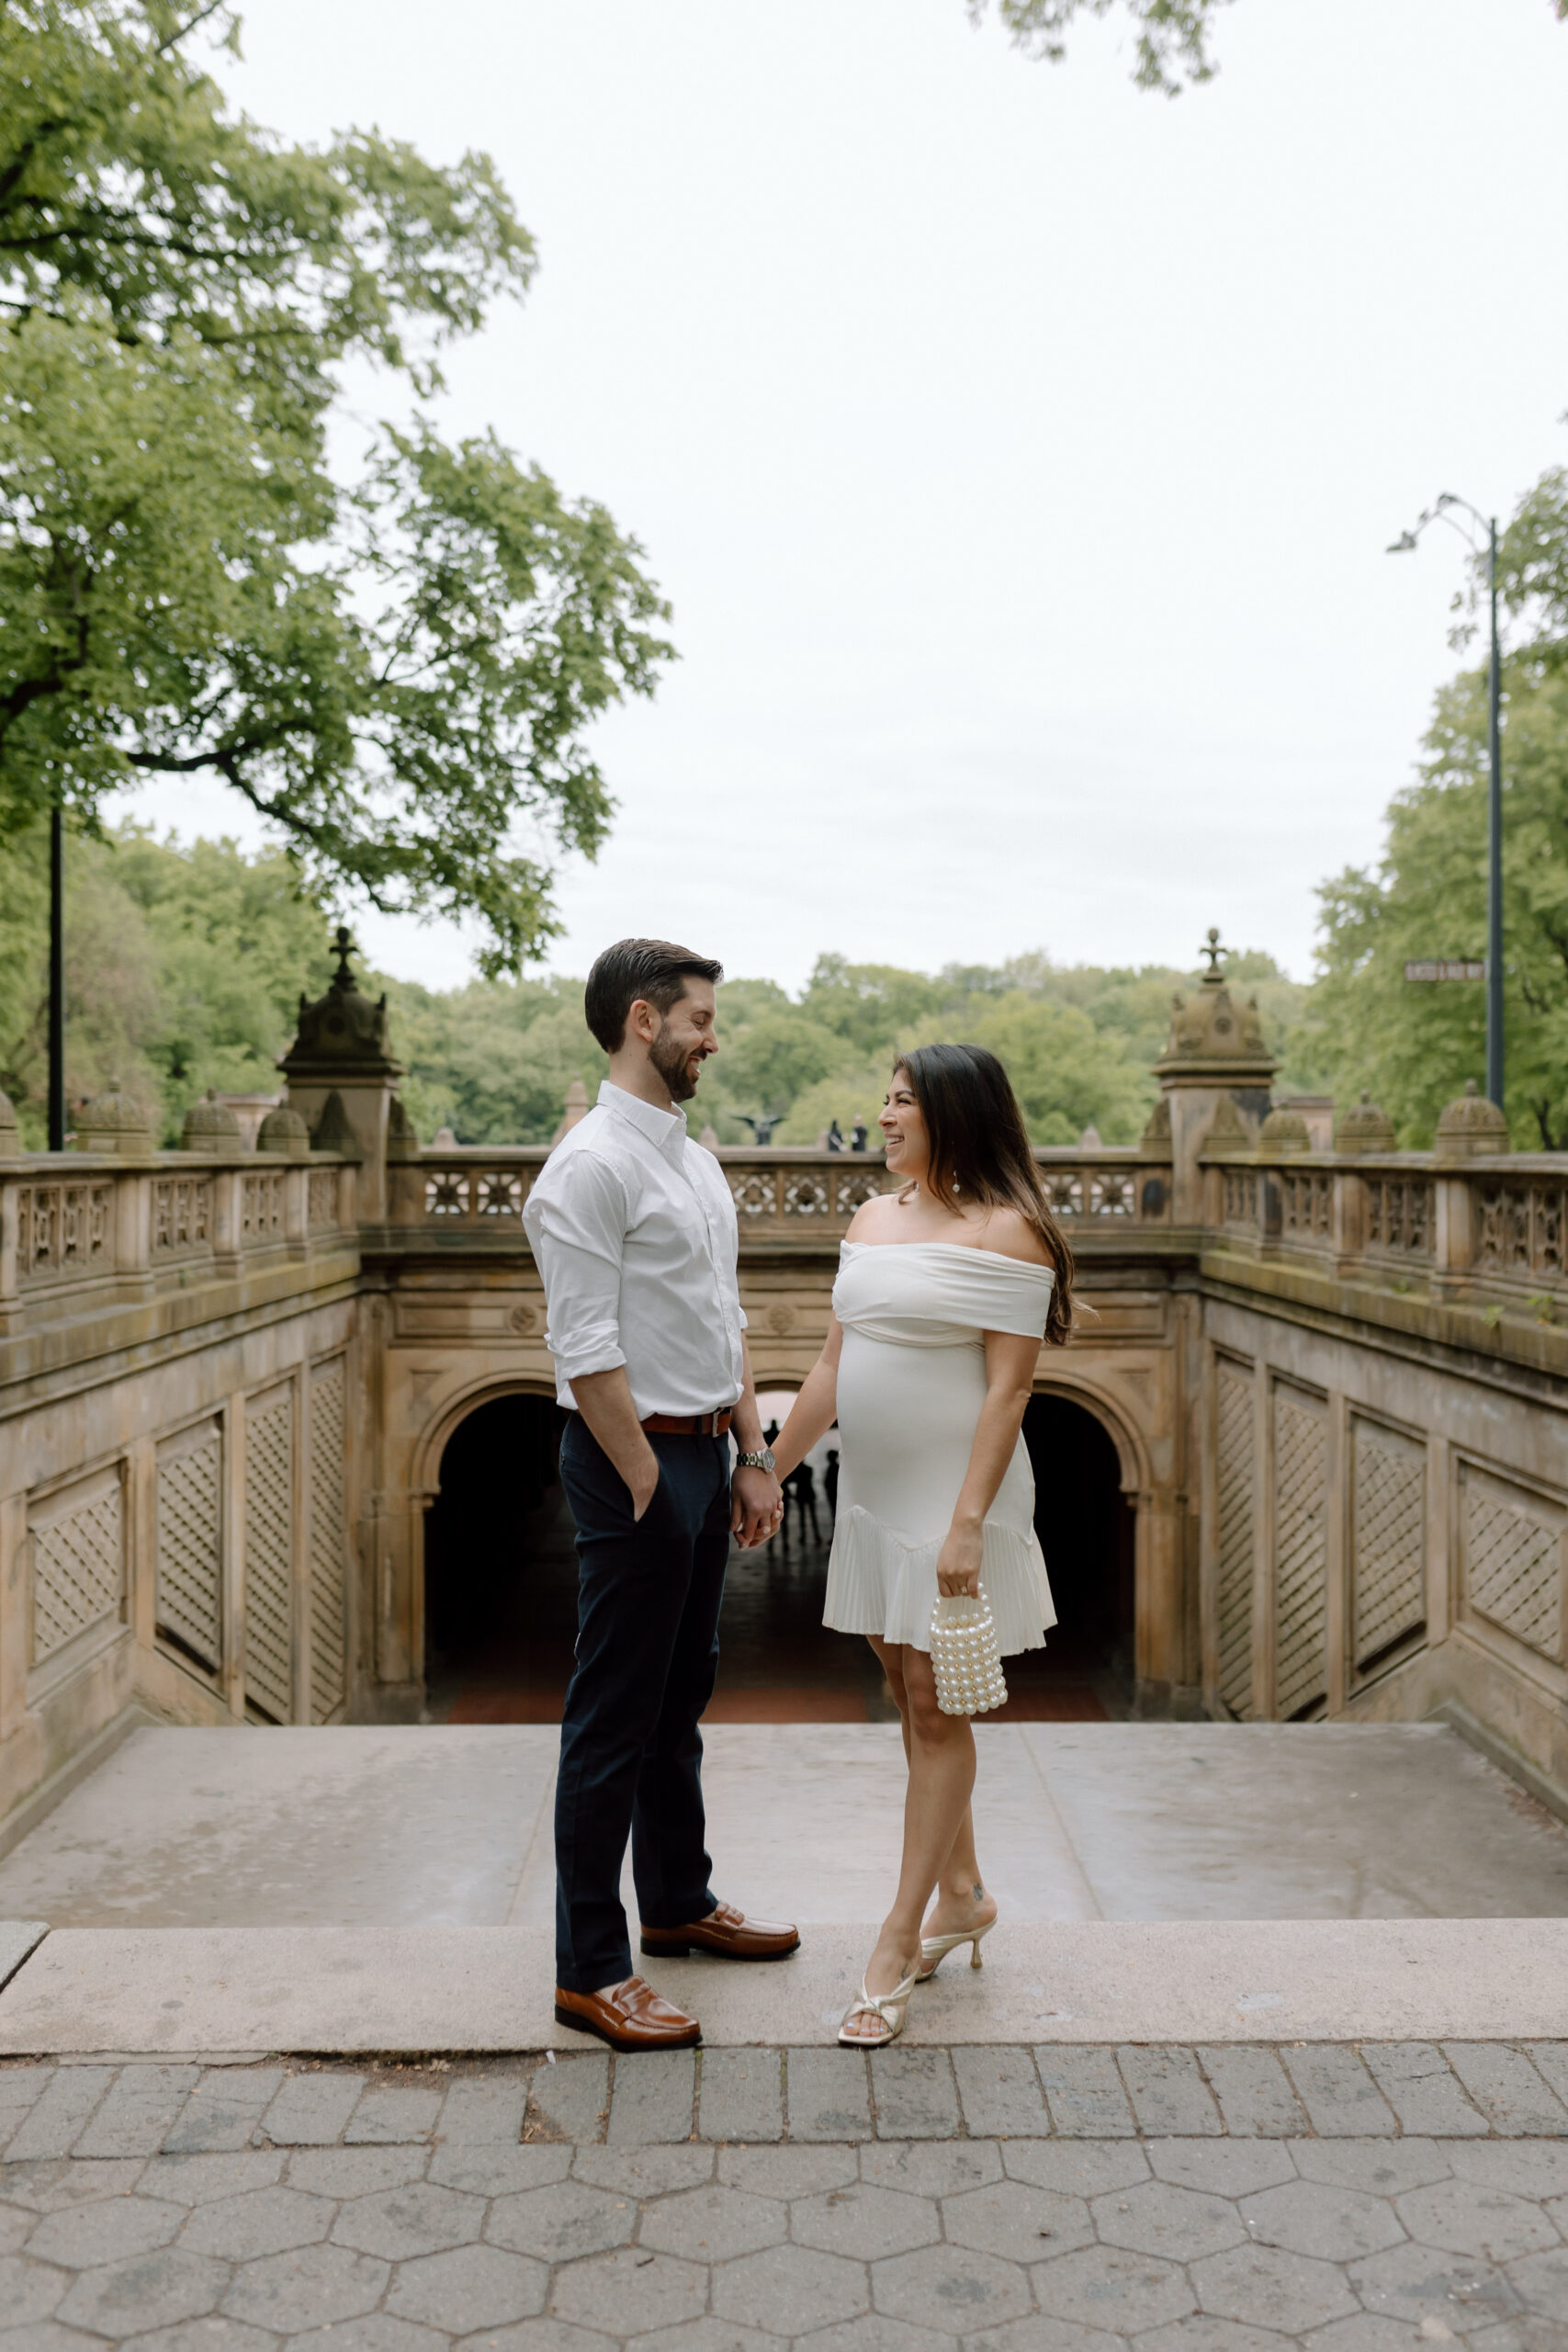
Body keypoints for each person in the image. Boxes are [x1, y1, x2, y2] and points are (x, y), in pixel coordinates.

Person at [523, 938, 795, 2053]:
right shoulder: (588, 1167)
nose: (710, 1037)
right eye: (699, 1017)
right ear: (644, 1020)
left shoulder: (692, 1158)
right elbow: (583, 1343)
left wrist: (749, 1450)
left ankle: (677, 1903)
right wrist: (645, 1476)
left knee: (680, 1697)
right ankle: (591, 1970)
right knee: (612, 1718)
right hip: (628, 1458)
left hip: (700, 1451)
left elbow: (721, 1316)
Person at [772, 1043, 1073, 2047]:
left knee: (936, 1704)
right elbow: (828, 1365)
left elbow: (1009, 1389)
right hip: (874, 1498)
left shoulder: (1009, 1232)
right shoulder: (869, 1220)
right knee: (909, 1692)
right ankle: (968, 1893)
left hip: (956, 1504)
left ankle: (898, 1939)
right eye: (886, 1101)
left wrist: (968, 1525)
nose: (884, 1117)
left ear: (954, 1114)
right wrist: (764, 1471)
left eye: (902, 1103)